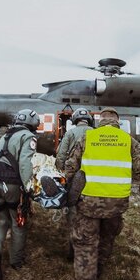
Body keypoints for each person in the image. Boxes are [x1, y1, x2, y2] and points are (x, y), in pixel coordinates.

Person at [64, 107, 140, 280]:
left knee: (86, 247)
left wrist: (66, 193)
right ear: (117, 123)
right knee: (106, 241)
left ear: (100, 122)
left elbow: (69, 167)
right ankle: (97, 274)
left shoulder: (88, 137)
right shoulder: (128, 141)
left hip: (89, 206)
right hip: (116, 206)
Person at [0, 109, 40, 280]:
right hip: (12, 185)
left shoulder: (5, 135)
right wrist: (30, 188)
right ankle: (16, 262)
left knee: (1, 221)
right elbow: (25, 164)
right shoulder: (28, 137)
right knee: (18, 222)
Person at [55, 108, 93, 261]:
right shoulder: (95, 132)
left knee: (73, 214)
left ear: (75, 120)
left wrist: (60, 169)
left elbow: (61, 155)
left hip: (74, 178)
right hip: (91, 179)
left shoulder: (70, 133)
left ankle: (73, 252)